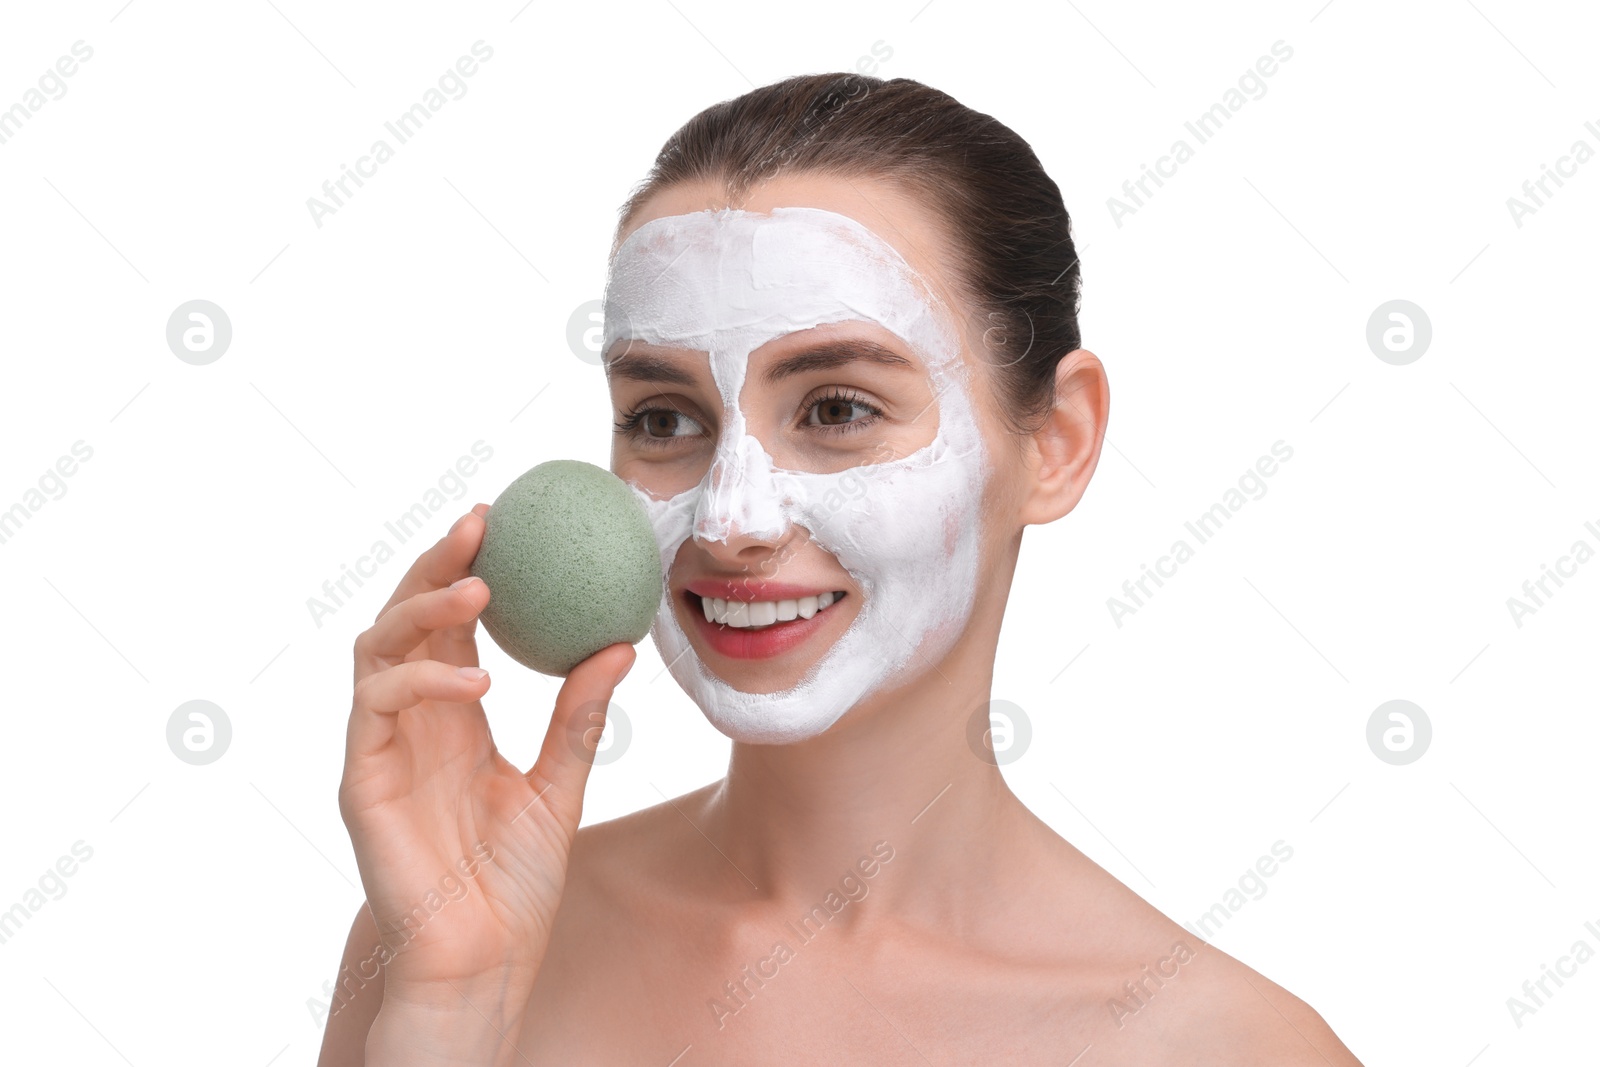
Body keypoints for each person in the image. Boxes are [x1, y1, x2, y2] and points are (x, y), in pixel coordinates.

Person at [318, 73, 1364, 1065]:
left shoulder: (1225, 1044)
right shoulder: (452, 937)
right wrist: (450, 1015)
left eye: (836, 409)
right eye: (665, 418)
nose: (730, 521)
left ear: (1055, 442)